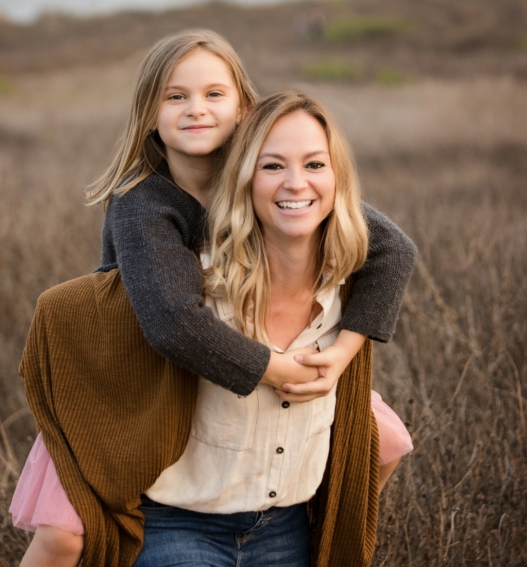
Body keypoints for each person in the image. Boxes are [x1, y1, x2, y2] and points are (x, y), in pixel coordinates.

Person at [10, 31, 416, 565]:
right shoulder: (143, 204)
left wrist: (342, 354)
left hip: (242, 354)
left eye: (214, 94)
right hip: (137, 381)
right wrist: (275, 370)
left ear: (244, 108)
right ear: (148, 113)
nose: (196, 110)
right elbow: (172, 322)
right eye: (175, 97)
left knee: (380, 443)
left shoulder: (263, 175)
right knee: (64, 535)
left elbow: (392, 247)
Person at [134, 90, 413, 565]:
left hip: (287, 529)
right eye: (272, 166)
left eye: (314, 165)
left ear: (337, 178)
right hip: (179, 524)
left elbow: (396, 250)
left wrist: (344, 353)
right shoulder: (191, 289)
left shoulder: (347, 296)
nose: (295, 184)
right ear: (243, 179)